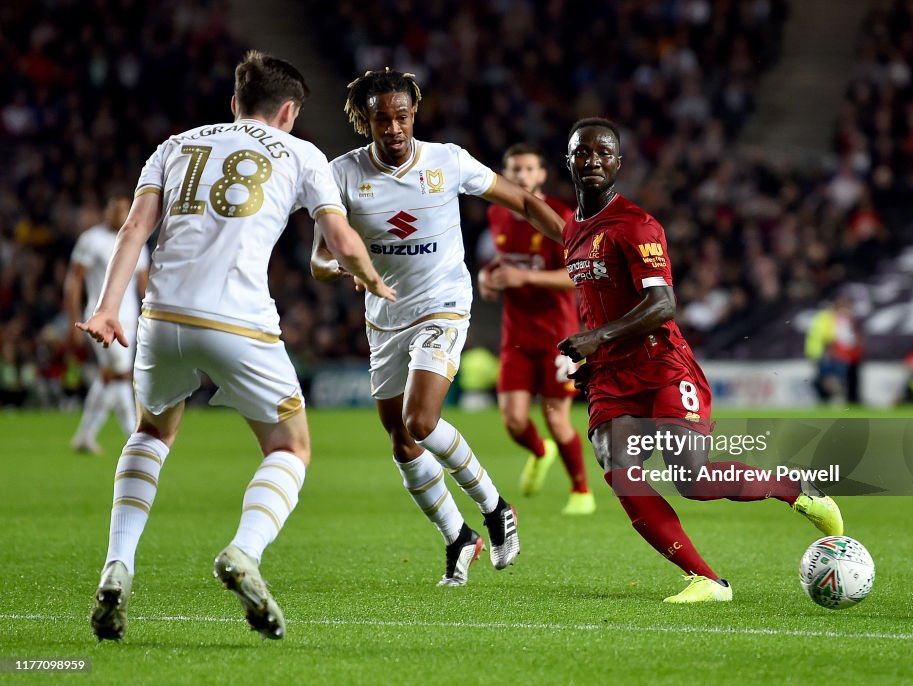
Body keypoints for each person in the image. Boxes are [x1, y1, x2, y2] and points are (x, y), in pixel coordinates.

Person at [77, 50, 394, 641]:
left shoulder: (177, 144)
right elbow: (341, 236)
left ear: (235, 104)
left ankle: (117, 564)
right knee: (290, 446)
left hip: (161, 316)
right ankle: (244, 551)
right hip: (239, 322)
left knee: (151, 432)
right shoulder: (301, 153)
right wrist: (374, 280)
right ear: (290, 111)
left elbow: (134, 229)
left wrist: (104, 309)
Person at [556, 118, 844, 603]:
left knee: (690, 477)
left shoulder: (636, 225)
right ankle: (706, 579)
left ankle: (793, 488)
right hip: (610, 375)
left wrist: (596, 336)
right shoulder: (572, 231)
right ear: (569, 161)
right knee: (619, 465)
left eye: (604, 153)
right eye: (583, 153)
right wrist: (592, 356)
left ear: (619, 164)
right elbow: (596, 303)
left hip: (661, 364)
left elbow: (663, 305)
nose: (593, 161)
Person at [311, 69, 565, 586]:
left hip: (443, 303)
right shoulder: (340, 174)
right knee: (401, 441)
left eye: (402, 116)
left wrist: (577, 240)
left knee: (421, 422)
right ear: (365, 121)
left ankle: (495, 508)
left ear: (414, 115)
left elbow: (522, 200)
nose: (395, 128)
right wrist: (353, 268)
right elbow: (319, 259)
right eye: (382, 119)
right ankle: (458, 537)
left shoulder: (448, 160)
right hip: (385, 318)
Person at [478, 143, 593, 515]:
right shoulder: (497, 214)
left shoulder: (560, 217)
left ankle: (581, 492)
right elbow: (503, 264)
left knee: (556, 418)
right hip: (516, 335)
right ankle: (540, 453)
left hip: (559, 336)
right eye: (514, 170)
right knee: (513, 420)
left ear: (542, 174)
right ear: (505, 175)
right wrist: (487, 278)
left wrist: (521, 276)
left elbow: (578, 276)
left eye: (529, 169)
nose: (522, 176)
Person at [65, 195, 149, 454]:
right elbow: (75, 281)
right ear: (107, 211)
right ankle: (134, 438)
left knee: (109, 377)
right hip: (99, 319)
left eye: (125, 209)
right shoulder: (91, 240)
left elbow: (143, 285)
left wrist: (150, 318)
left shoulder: (137, 240)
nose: (120, 214)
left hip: (130, 320)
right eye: (116, 209)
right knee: (122, 374)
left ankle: (84, 436)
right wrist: (73, 320)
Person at [805, 296, 863, 404]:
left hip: (834, 353)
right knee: (829, 378)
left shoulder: (829, 317)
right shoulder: (830, 318)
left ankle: (830, 399)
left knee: (833, 378)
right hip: (828, 352)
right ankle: (827, 399)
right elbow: (829, 336)